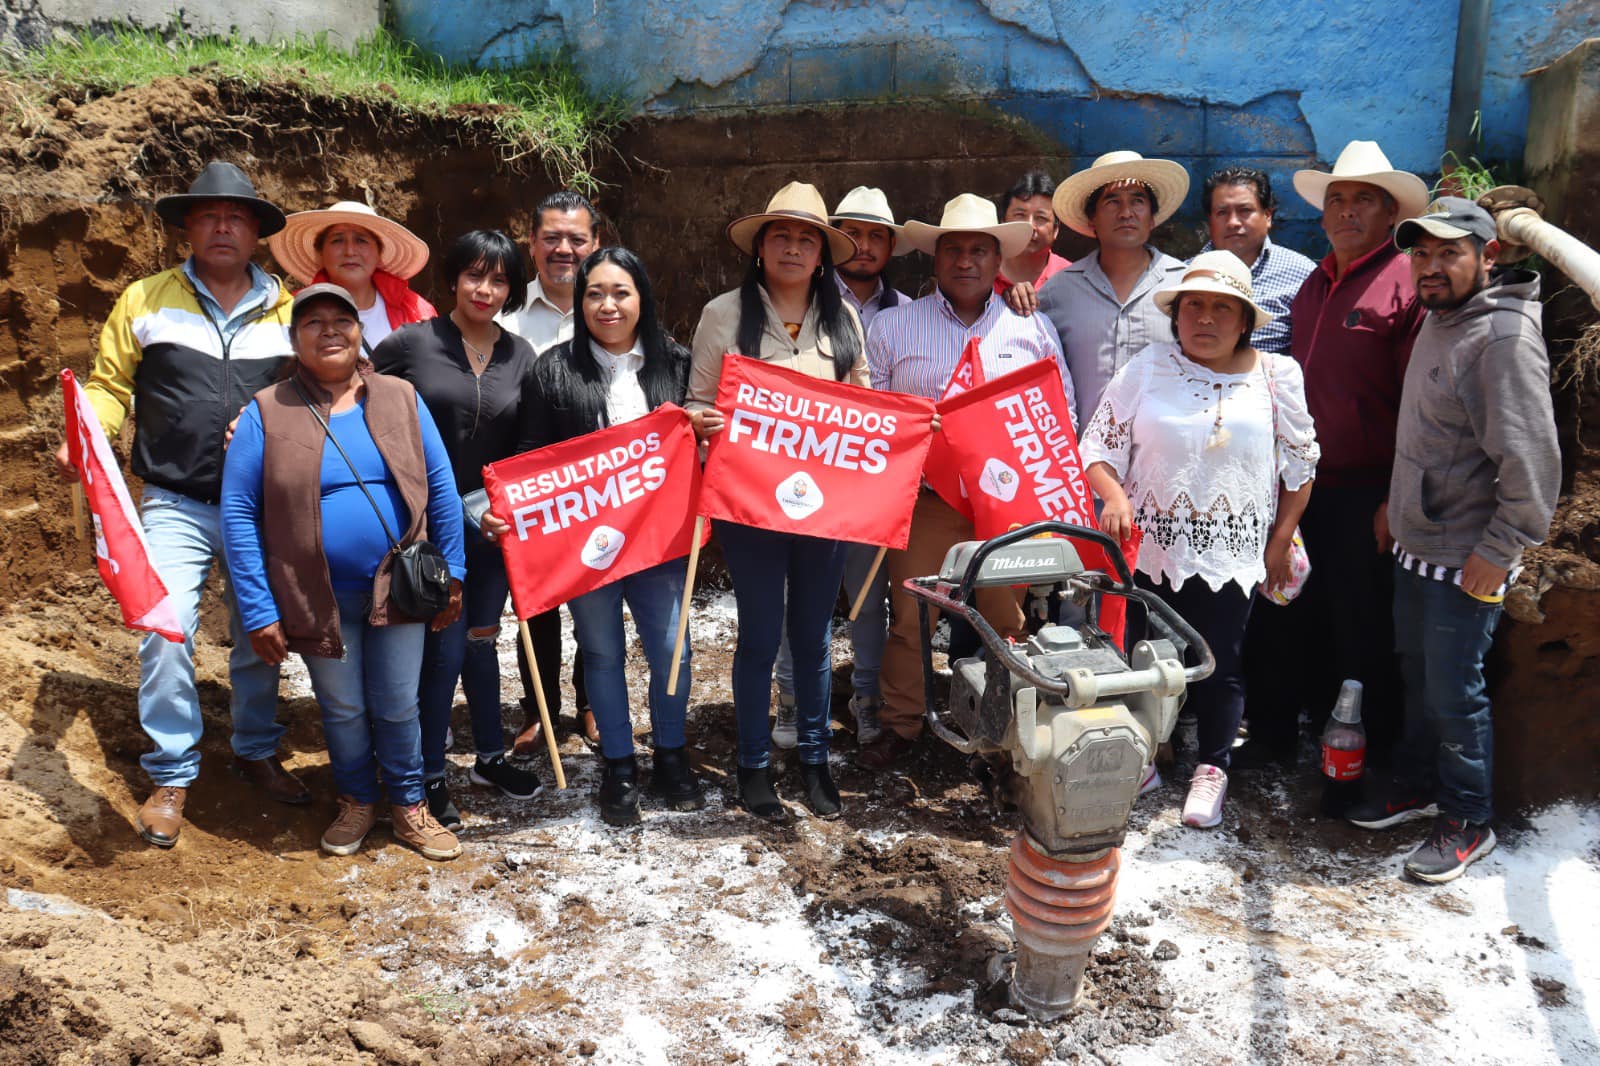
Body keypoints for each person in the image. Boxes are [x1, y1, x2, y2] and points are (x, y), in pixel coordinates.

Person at [53, 161, 306, 848]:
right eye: (208, 215)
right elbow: (109, 385)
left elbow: (321, 395)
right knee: (165, 630)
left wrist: (272, 422)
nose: (222, 227)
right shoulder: (145, 301)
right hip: (175, 501)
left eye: (237, 217)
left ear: (256, 231)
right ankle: (171, 772)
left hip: (261, 506)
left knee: (262, 635)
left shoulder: (292, 310)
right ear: (187, 226)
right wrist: (92, 434)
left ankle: (256, 748)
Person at [1347, 199, 1559, 883]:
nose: (1431, 267)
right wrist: (1395, 504)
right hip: (1420, 542)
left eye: (1449, 252)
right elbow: (1435, 438)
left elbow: (1531, 467)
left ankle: (1468, 817)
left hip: (1467, 556)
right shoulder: (1446, 322)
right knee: (1419, 672)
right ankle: (1415, 783)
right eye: (1422, 254)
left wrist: (1498, 550)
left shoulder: (1499, 342)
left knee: (1454, 690)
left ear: (1488, 255)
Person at [221, 283, 467, 859]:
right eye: (313, 322)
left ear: (360, 332)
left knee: (398, 702)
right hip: (314, 595)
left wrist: (452, 572)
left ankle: (409, 806)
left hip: (400, 587)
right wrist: (258, 608)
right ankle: (357, 799)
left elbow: (443, 488)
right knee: (343, 706)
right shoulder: (266, 411)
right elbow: (237, 512)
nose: (328, 329)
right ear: (294, 338)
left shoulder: (401, 397)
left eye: (341, 319)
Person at [1080, 250, 1319, 828]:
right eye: (1193, 306)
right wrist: (1114, 497)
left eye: (1221, 308)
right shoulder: (1148, 367)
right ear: (1177, 314)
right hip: (1150, 547)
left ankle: (1211, 767)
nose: (1205, 318)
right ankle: (1143, 756)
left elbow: (1301, 466)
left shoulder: (1276, 376)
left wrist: (1280, 538)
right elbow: (1098, 447)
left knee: (1221, 662)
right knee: (1143, 655)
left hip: (1230, 550)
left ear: (1244, 320)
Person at [491, 247, 704, 826]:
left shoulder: (679, 366)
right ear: (579, 300)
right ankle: (618, 764)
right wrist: (508, 508)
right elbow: (530, 458)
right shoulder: (552, 369)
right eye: (594, 293)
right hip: (589, 547)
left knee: (672, 649)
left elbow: (704, 447)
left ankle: (670, 754)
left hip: (660, 543)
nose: (607, 305)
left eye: (621, 292)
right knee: (603, 651)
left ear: (643, 299)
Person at [864, 193, 1073, 770]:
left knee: (1006, 620)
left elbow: (1062, 417)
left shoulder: (1032, 330)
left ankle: (1009, 730)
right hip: (928, 503)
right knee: (910, 616)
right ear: (934, 257)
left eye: (979, 250)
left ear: (997, 258)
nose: (965, 261)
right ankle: (902, 725)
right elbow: (873, 419)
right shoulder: (892, 328)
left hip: (1005, 505)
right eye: (953, 249)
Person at [686, 181, 867, 821]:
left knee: (815, 635)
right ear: (760, 247)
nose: (793, 247)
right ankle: (753, 764)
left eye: (807, 238)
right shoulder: (724, 315)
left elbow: (865, 410)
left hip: (825, 510)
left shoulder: (843, 319)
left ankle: (815, 758)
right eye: (781, 235)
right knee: (761, 634)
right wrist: (701, 423)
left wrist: (905, 433)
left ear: (822, 254)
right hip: (752, 509)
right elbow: (696, 402)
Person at [1248, 142, 1429, 771]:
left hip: (1366, 487)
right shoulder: (1314, 283)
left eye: (1362, 201)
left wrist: (1394, 498)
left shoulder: (1405, 284)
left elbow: (1419, 404)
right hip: (1303, 482)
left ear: (1389, 213)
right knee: (1291, 612)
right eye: (1337, 200)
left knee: (1361, 625)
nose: (1347, 211)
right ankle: (1279, 739)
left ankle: (1361, 758)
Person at [370, 231, 545, 828]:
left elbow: (529, 442)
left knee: (482, 639)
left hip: (493, 525)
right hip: (426, 524)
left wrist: (510, 503)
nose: (485, 290)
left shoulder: (522, 355)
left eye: (498, 280)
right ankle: (428, 774)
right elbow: (355, 395)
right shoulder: (410, 344)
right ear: (452, 280)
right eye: (474, 276)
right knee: (442, 646)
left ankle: (489, 756)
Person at [771, 186, 911, 751]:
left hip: (860, 481)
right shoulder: (785, 301)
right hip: (789, 484)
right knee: (791, 598)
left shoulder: (907, 313)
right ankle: (791, 699)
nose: (864, 245)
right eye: (854, 232)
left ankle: (867, 696)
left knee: (868, 595)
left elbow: (876, 397)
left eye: (878, 235)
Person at [497, 190, 596, 752]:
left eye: (576, 239)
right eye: (552, 238)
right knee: (535, 606)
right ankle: (539, 709)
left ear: (595, 243)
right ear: (531, 243)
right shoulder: (506, 314)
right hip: (530, 487)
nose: (565, 249)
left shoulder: (612, 309)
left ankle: (590, 702)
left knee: (596, 607)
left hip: (599, 488)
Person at [1028, 151, 1191, 429]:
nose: (1126, 213)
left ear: (1152, 218)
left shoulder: (1185, 286)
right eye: (1112, 202)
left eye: (1137, 201)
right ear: (1092, 220)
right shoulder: (1059, 292)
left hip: (1165, 461)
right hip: (1083, 462)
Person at [268, 200, 436, 347]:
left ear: (379, 254)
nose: (350, 251)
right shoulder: (291, 313)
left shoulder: (415, 310)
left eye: (361, 240)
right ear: (320, 254)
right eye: (337, 240)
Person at [1195, 168, 1314, 357]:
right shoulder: (1184, 275)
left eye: (1245, 211)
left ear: (1268, 216)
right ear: (1210, 220)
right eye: (1222, 212)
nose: (1233, 222)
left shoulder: (1303, 274)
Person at [995, 170, 1071, 294]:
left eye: (1041, 218)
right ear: (1003, 221)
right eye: (1020, 215)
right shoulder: (983, 274)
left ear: (1056, 230)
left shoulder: (1071, 279)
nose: (1030, 226)